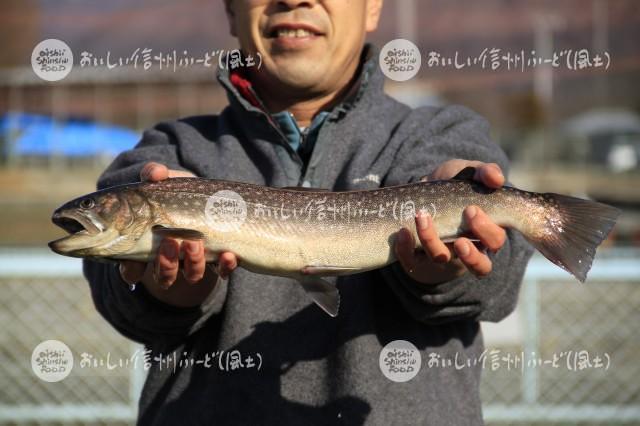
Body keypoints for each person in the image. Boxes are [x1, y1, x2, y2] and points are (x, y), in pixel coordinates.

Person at [84, 0, 533, 424]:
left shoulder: (441, 135)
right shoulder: (165, 156)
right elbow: (118, 300)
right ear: (229, 10)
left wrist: (449, 264)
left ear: (373, 7)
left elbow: (500, 283)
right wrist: (170, 291)